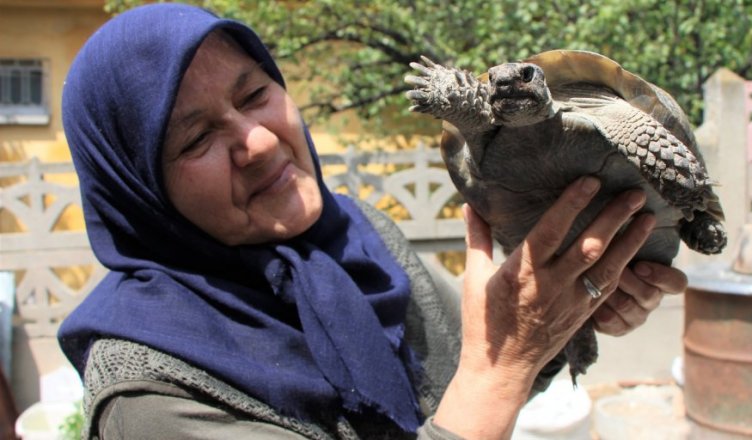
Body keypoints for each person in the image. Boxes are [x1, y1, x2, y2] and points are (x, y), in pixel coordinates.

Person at [57, 3, 687, 439]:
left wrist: (570, 311)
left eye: (255, 96)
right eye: (196, 140)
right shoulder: (153, 401)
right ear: (139, 191)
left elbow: (476, 363)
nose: (258, 142)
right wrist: (506, 366)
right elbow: (491, 377)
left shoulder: (356, 238)